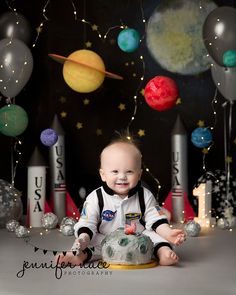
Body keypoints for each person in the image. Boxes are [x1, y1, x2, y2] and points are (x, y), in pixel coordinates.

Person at [57, 136, 186, 266]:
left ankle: (163, 252)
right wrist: (83, 238)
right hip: (107, 239)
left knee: (155, 236)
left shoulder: (144, 196)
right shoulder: (96, 198)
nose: (122, 177)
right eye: (115, 171)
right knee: (92, 240)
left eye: (129, 171)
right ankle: (80, 255)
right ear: (103, 174)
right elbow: (87, 222)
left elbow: (156, 219)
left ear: (139, 174)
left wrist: (168, 233)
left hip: (138, 240)